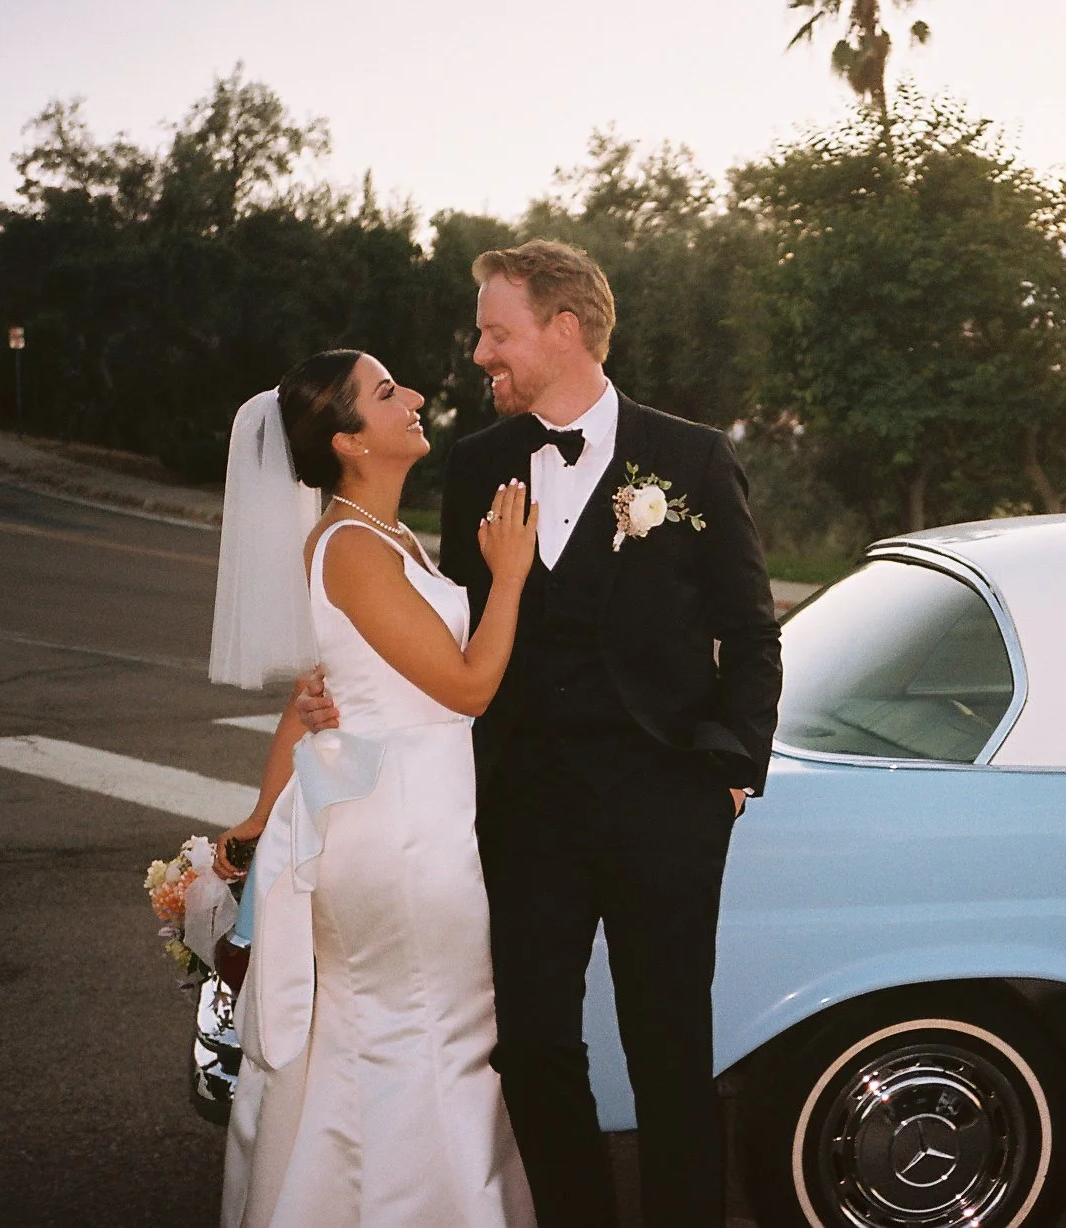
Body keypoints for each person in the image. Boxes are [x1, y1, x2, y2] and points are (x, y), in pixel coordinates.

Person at [297, 240, 783, 1227]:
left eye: (496, 332)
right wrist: (336, 695)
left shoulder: (690, 457)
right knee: (528, 1044)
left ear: (564, 331)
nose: (481, 355)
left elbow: (752, 629)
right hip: (521, 813)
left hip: (664, 807)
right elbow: (450, 631)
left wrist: (729, 770)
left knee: (670, 1054)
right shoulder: (476, 465)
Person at [209, 349, 537, 1227]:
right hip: (396, 835)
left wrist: (255, 815)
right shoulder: (352, 548)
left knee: (394, 1036)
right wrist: (508, 576)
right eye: (389, 394)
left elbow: (308, 700)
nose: (418, 398)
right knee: (434, 1032)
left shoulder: (384, 537)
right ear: (351, 441)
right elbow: (466, 688)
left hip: (419, 817)